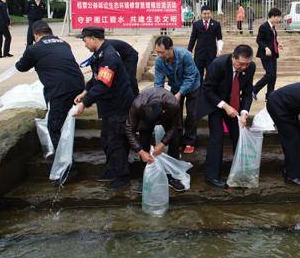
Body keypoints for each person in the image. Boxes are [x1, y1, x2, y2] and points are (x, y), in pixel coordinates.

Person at [74, 26, 135, 190]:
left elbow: (102, 84)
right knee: (107, 139)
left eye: (85, 40)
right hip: (109, 106)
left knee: (116, 141)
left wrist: (84, 103)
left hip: (119, 106)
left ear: (93, 38)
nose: (85, 44)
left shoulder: (109, 57)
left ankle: (123, 177)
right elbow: (96, 78)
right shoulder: (99, 54)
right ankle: (112, 169)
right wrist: (86, 90)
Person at [15, 21, 84, 149]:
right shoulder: (64, 44)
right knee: (65, 119)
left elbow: (21, 67)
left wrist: (27, 51)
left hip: (59, 90)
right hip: (79, 86)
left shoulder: (34, 49)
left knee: (54, 127)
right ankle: (68, 153)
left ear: (35, 35)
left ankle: (66, 166)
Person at [197, 44, 256, 188]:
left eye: (247, 64)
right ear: (233, 58)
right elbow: (207, 89)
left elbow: (248, 92)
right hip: (215, 103)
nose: (244, 67)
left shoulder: (250, 67)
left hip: (234, 105)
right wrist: (225, 106)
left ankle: (239, 171)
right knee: (216, 138)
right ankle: (212, 176)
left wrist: (244, 113)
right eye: (241, 64)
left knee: (239, 136)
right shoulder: (218, 64)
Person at [125, 87, 186, 191]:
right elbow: (129, 130)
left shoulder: (173, 104)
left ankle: (172, 177)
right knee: (143, 142)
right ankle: (146, 176)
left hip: (168, 118)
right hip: (145, 119)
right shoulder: (137, 105)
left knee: (175, 140)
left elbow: (174, 126)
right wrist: (140, 151)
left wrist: (163, 143)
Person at [154, 36, 200, 154]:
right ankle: (177, 141)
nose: (159, 55)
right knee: (175, 114)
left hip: (192, 86)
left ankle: (190, 141)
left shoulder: (185, 56)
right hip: (174, 86)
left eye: (162, 52)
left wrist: (180, 93)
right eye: (157, 52)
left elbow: (190, 77)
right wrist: (160, 97)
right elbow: (158, 82)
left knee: (192, 113)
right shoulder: (159, 61)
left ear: (170, 48)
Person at [187, 4, 223, 84]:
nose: (206, 15)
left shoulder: (216, 24)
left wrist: (219, 50)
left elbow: (219, 38)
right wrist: (189, 50)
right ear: (201, 14)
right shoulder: (196, 24)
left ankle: (209, 91)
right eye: (204, 13)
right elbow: (193, 38)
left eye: (208, 13)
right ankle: (199, 92)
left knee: (211, 73)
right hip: (199, 53)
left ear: (211, 13)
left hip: (211, 53)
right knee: (198, 74)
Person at [253, 7, 283, 101]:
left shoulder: (273, 27)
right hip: (265, 54)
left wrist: (278, 44)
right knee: (270, 74)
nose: (279, 19)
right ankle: (253, 90)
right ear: (273, 16)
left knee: (273, 75)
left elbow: (272, 40)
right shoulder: (264, 26)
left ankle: (270, 95)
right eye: (278, 17)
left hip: (273, 54)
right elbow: (259, 40)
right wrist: (266, 48)